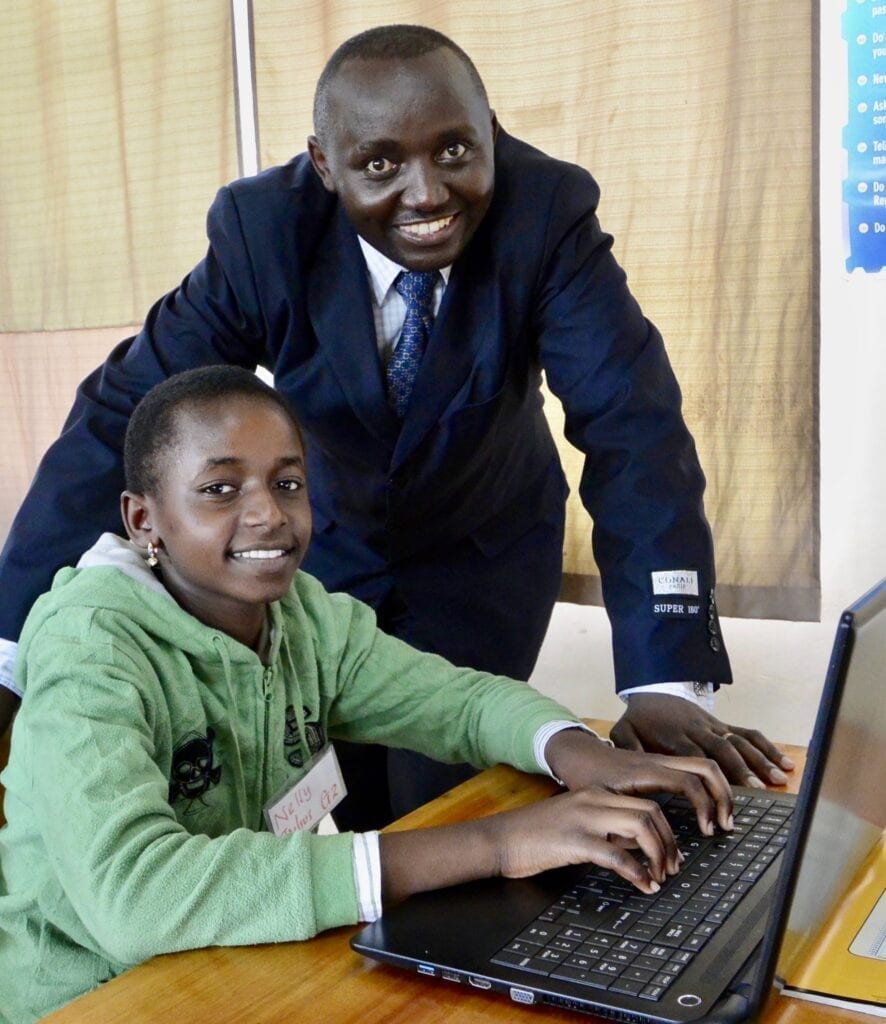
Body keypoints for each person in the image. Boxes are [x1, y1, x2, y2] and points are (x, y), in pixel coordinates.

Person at [0, 25, 793, 828]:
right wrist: (6, 650)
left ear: (490, 129)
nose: (425, 194)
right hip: (324, 561)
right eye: (380, 164)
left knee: (451, 805)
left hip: (482, 559)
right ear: (324, 165)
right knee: (312, 807)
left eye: (455, 152)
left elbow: (634, 429)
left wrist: (663, 679)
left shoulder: (547, 213)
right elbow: (123, 416)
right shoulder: (263, 233)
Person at [0, 366, 735, 1023]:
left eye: (287, 483)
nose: (267, 515)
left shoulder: (302, 615)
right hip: (93, 993)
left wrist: (576, 750)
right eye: (219, 489)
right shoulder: (88, 647)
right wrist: (498, 843)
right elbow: (138, 897)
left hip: (225, 962)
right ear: (143, 520)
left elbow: (457, 701)